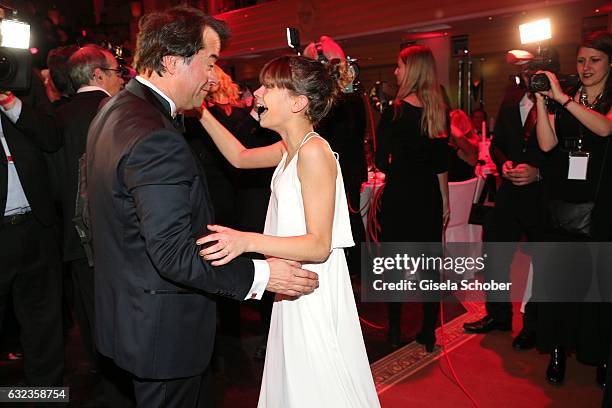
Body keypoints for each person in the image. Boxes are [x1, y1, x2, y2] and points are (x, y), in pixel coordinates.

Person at [86, 7, 318, 407]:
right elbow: (173, 253)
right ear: (174, 61)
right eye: (210, 63)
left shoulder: (114, 110)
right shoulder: (154, 134)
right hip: (162, 331)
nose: (214, 78)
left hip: (128, 315)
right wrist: (263, 275)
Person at [197, 55, 380, 407]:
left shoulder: (313, 152)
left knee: (318, 385)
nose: (258, 92)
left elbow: (319, 245)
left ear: (298, 102)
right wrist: (199, 110)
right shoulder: (290, 148)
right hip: (292, 283)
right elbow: (238, 156)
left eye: (269, 86)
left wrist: (245, 240)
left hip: (311, 285)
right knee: (299, 383)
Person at [533, 31, 612, 387]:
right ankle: (556, 351)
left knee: (598, 285)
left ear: (610, 63)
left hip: (603, 202)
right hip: (564, 199)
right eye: (581, 60)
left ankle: (601, 355)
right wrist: (540, 101)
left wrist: (562, 100)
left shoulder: (603, 100)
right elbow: (547, 145)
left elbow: (604, 128)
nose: (586, 67)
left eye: (595, 60)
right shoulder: (569, 96)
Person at [462, 56, 554, 350]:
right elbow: (499, 143)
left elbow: (565, 154)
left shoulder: (561, 105)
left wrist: (538, 172)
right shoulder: (511, 101)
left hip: (543, 198)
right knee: (496, 255)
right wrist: (504, 163)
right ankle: (498, 315)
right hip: (510, 195)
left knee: (542, 263)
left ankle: (534, 325)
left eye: (535, 73)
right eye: (526, 73)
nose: (529, 78)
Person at [56, 44, 125, 402]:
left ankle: (105, 386)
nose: (121, 78)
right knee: (119, 318)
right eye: (116, 71)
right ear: (98, 74)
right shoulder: (117, 112)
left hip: (70, 238)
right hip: (115, 235)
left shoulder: (56, 117)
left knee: (89, 317)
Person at [375, 44, 450, 352]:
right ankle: (428, 333)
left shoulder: (394, 111)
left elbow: (380, 161)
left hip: (400, 197)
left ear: (412, 70)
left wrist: (396, 163)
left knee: (394, 265)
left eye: (399, 65)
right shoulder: (437, 110)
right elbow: (440, 164)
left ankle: (394, 330)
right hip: (428, 198)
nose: (395, 71)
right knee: (430, 267)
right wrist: (445, 201)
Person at [0, 73, 64, 386]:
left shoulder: (18, 74)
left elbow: (52, 136)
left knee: (44, 327)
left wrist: (12, 104)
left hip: (37, 223)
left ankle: (47, 396)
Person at [303, 35, 368, 277]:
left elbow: (337, 137)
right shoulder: (348, 97)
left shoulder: (341, 99)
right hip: (341, 168)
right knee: (345, 220)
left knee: (347, 220)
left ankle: (355, 270)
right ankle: (353, 269)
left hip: (341, 169)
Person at [449, 108, 479, 181]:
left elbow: (459, 137)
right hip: (461, 189)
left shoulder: (467, 149)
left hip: (458, 189)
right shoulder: (450, 146)